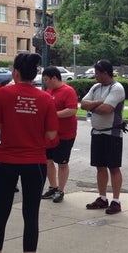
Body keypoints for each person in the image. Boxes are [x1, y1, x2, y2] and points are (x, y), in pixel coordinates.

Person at [0, 52, 57, 253]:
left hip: (5, 160)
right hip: (34, 162)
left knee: (0, 213)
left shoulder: (2, 94)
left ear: (15, 72)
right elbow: (52, 133)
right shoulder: (45, 98)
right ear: (35, 74)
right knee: (31, 215)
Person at [80, 59, 126, 215]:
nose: (95, 76)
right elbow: (82, 104)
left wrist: (93, 105)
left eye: (97, 73)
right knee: (100, 167)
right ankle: (102, 197)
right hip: (98, 132)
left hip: (112, 133)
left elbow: (107, 109)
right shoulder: (96, 87)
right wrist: (98, 102)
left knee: (113, 167)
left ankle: (116, 200)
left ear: (105, 73)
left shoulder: (117, 88)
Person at [40, 66, 78, 203]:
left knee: (62, 162)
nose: (45, 83)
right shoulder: (48, 91)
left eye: (46, 80)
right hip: (50, 133)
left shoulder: (68, 91)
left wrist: (53, 115)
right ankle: (53, 186)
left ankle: (61, 190)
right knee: (48, 160)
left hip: (65, 133)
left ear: (54, 78)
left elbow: (72, 110)